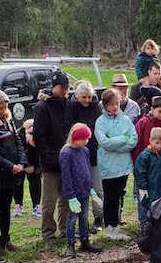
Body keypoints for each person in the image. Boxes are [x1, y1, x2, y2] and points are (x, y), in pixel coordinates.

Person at [33, 71, 72, 242]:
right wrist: (49, 157)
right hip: (50, 163)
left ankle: (65, 230)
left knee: (66, 200)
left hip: (67, 159)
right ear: (54, 87)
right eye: (61, 88)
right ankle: (48, 232)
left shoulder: (68, 104)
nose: (64, 91)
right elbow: (39, 136)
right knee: (49, 202)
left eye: (66, 88)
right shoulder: (42, 107)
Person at [95, 88, 137, 241]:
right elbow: (104, 143)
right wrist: (122, 138)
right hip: (108, 166)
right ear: (105, 105)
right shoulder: (100, 122)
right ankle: (109, 229)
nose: (115, 107)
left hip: (123, 166)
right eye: (111, 104)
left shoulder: (125, 120)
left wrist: (118, 142)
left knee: (119, 196)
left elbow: (133, 140)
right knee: (110, 198)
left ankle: (116, 227)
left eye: (117, 103)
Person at [0, 91, 26, 254]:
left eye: (5, 107)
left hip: (12, 173)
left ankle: (6, 239)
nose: (3, 111)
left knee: (6, 208)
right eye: (0, 108)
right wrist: (11, 165)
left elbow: (18, 142)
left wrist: (21, 161)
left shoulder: (8, 122)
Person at [60, 123, 103, 257]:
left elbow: (87, 170)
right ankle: (70, 244)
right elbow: (66, 177)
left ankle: (85, 241)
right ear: (75, 137)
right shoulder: (66, 153)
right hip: (74, 194)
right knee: (72, 218)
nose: (87, 141)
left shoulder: (85, 151)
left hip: (85, 191)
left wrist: (91, 188)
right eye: (84, 138)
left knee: (84, 217)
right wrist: (71, 196)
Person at [68, 81, 105, 232]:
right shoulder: (72, 108)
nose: (87, 100)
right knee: (80, 190)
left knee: (97, 188)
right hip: (78, 152)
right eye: (84, 97)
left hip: (94, 152)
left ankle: (98, 218)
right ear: (77, 96)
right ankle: (80, 222)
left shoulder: (95, 107)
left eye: (89, 97)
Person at [134, 127, 161, 228]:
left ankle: (160, 227)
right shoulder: (144, 156)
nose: (159, 145)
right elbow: (140, 173)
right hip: (149, 188)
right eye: (157, 143)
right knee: (145, 207)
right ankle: (145, 227)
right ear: (150, 140)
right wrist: (143, 188)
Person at [13, 119, 42, 218]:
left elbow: (41, 154)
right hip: (20, 163)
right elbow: (17, 151)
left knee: (35, 182)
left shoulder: (39, 135)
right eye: (29, 130)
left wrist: (36, 167)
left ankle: (37, 205)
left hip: (34, 164)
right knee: (18, 183)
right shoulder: (17, 135)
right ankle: (18, 205)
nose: (32, 132)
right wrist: (22, 165)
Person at [133, 96, 161, 163]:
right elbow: (136, 142)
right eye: (159, 112)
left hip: (159, 163)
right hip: (143, 161)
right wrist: (137, 161)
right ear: (152, 109)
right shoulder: (143, 122)